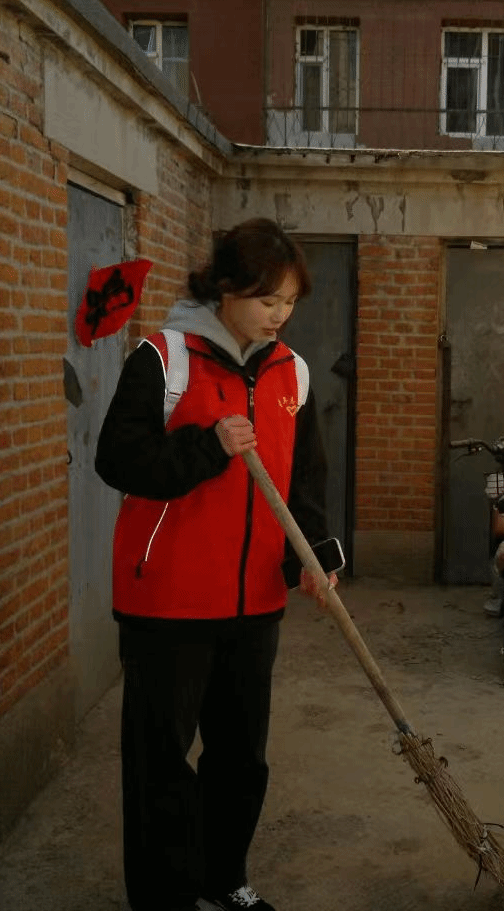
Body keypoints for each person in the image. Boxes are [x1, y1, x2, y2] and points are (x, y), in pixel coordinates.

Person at [95, 217, 337, 911]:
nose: (279, 314)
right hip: (167, 601)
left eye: (289, 302)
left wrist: (315, 558)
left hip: (254, 603)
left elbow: (304, 484)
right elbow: (119, 459)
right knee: (161, 764)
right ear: (226, 287)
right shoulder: (165, 358)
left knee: (241, 759)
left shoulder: (292, 371)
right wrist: (207, 447)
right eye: (267, 299)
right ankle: (164, 896)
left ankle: (223, 877)